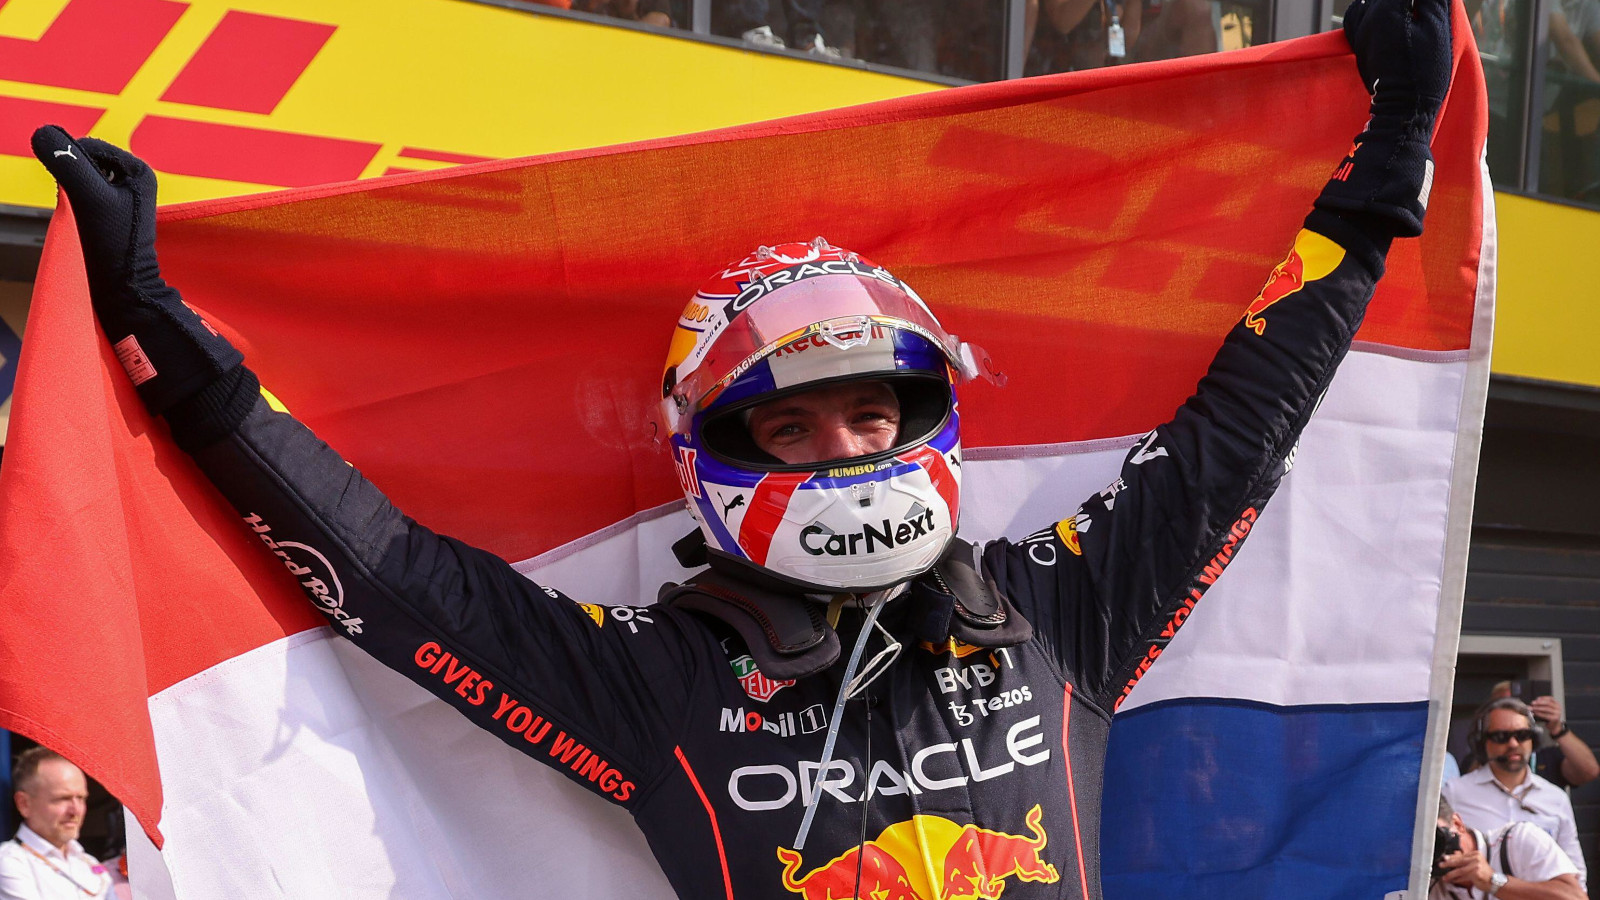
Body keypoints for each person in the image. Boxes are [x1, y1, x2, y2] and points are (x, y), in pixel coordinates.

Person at [27, 0, 1450, 892]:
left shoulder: (1052, 611)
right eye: (791, 422)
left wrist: (1386, 172)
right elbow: (396, 577)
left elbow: (1242, 429)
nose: (842, 448)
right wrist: (165, 339)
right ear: (718, 451)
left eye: (874, 414)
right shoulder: (657, 679)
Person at [1446, 698, 1588, 890]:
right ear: (1483, 742)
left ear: (1534, 739)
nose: (1513, 743)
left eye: (1522, 735)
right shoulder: (1454, 792)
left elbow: (1576, 873)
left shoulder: (1556, 798)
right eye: (1501, 736)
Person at [0, 748, 110, 900]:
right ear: (24, 804)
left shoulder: (89, 862)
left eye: (81, 798)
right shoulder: (10, 863)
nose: (75, 810)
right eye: (62, 798)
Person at [1431, 794, 1585, 899]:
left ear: (1457, 824)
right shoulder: (1426, 885)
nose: (1432, 852)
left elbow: (1577, 897)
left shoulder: (1518, 841)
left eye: (1436, 840)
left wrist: (1494, 881)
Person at [1482, 683, 1600, 789]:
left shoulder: (1547, 757)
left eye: (1516, 705)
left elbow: (1589, 771)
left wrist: (1557, 728)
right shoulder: (1479, 757)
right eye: (1504, 706)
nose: (1513, 743)